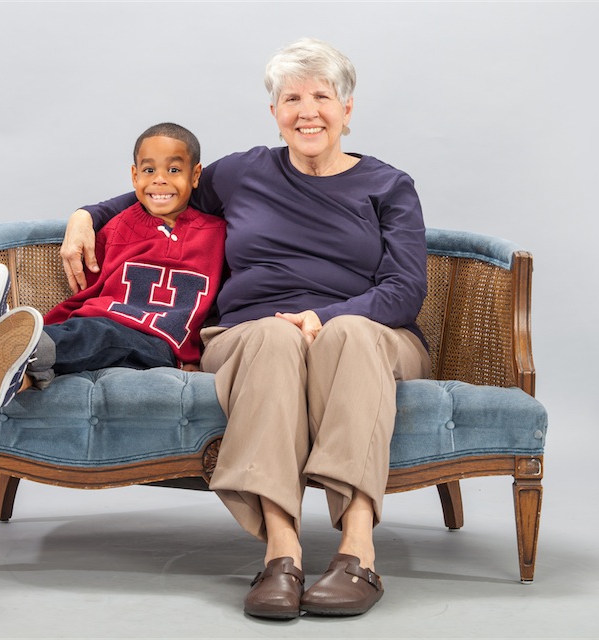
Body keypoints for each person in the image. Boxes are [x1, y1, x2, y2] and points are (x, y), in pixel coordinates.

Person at [61, 38, 431, 619]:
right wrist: (87, 215)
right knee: (271, 334)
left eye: (321, 96)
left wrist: (325, 316)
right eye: (292, 98)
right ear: (275, 113)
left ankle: (357, 552)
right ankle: (281, 553)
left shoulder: (388, 186)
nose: (307, 111)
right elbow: (164, 190)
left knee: (347, 334)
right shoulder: (243, 173)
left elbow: (405, 291)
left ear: (347, 110)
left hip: (372, 334)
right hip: (251, 332)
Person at [0, 122, 226, 417]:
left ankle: (10, 341)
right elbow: (88, 286)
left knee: (102, 335)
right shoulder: (118, 226)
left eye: (174, 170)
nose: (160, 180)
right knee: (89, 336)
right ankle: (13, 376)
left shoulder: (219, 235)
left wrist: (201, 355)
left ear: (196, 175)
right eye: (149, 170)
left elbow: (227, 302)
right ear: (134, 175)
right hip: (99, 328)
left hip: (162, 346)